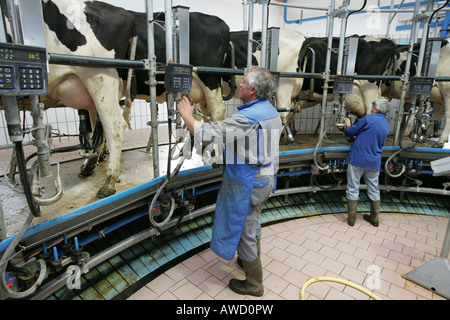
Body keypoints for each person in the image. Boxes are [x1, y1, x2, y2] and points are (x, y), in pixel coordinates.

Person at [177, 66, 282, 297]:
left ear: (253, 89)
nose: (239, 85)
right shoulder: (270, 111)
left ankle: (254, 284)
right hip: (265, 177)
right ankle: (247, 261)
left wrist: (187, 115)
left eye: (243, 82)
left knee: (245, 229)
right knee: (252, 221)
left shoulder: (249, 117)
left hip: (250, 182)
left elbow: (209, 133)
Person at [344, 97, 390, 227]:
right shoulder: (386, 124)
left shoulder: (369, 118)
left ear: (376, 109)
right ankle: (375, 218)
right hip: (374, 162)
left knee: (353, 187)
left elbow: (350, 133)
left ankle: (352, 219)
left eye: (372, 107)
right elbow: (373, 136)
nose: (370, 108)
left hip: (358, 159)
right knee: (374, 189)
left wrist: (347, 124)